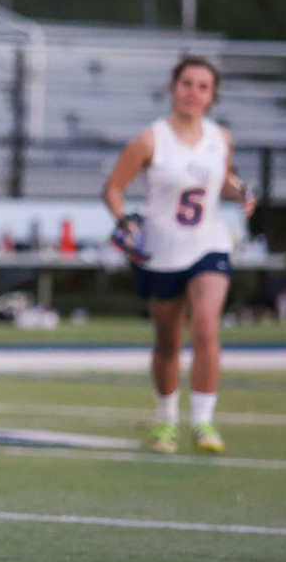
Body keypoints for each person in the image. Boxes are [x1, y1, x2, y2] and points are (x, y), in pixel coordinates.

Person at [102, 55, 253, 455]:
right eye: (187, 83)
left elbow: (222, 179)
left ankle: (203, 421)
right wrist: (125, 222)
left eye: (203, 86)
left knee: (205, 325)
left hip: (209, 244)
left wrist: (241, 193)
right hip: (162, 250)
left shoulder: (220, 138)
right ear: (173, 88)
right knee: (168, 340)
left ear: (212, 96)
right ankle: (166, 420)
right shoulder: (151, 138)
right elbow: (114, 188)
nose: (193, 92)